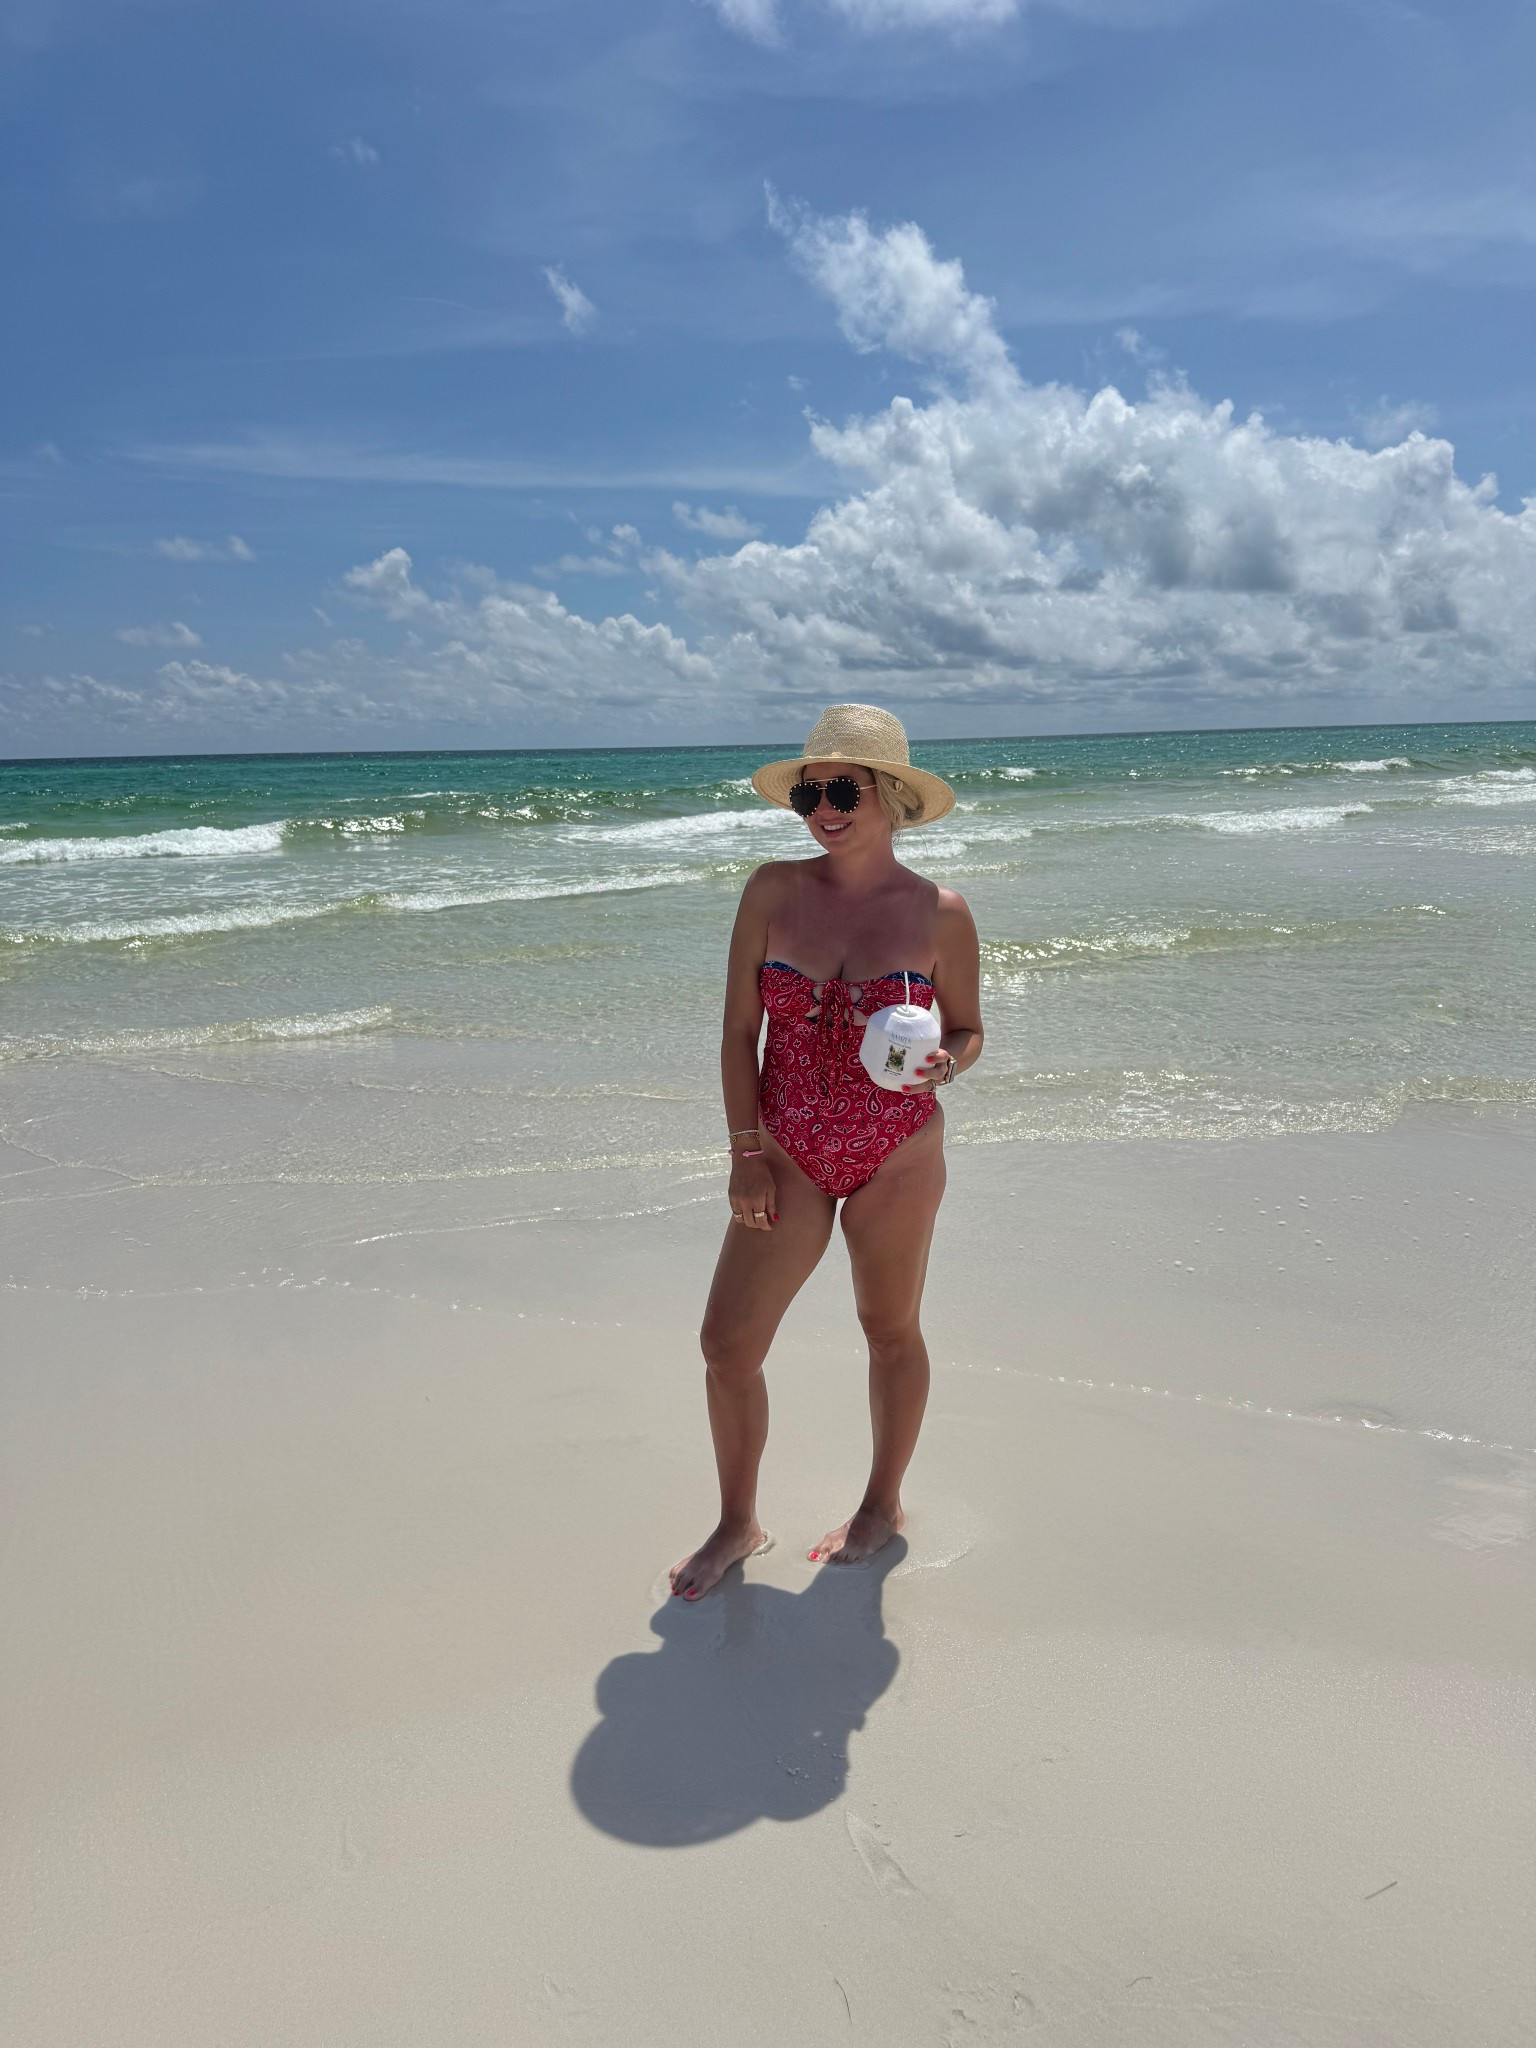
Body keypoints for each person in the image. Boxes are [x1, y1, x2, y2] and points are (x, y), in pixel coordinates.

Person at [670, 704, 984, 1600]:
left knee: (889, 1331)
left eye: (841, 789)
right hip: (787, 1153)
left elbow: (968, 1030)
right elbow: (737, 1034)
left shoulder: (940, 912)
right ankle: (738, 1522)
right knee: (727, 1344)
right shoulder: (772, 890)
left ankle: (881, 1504)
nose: (822, 806)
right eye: (810, 791)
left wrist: (944, 1068)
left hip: (898, 1154)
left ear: (888, 796)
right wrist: (744, 1151)